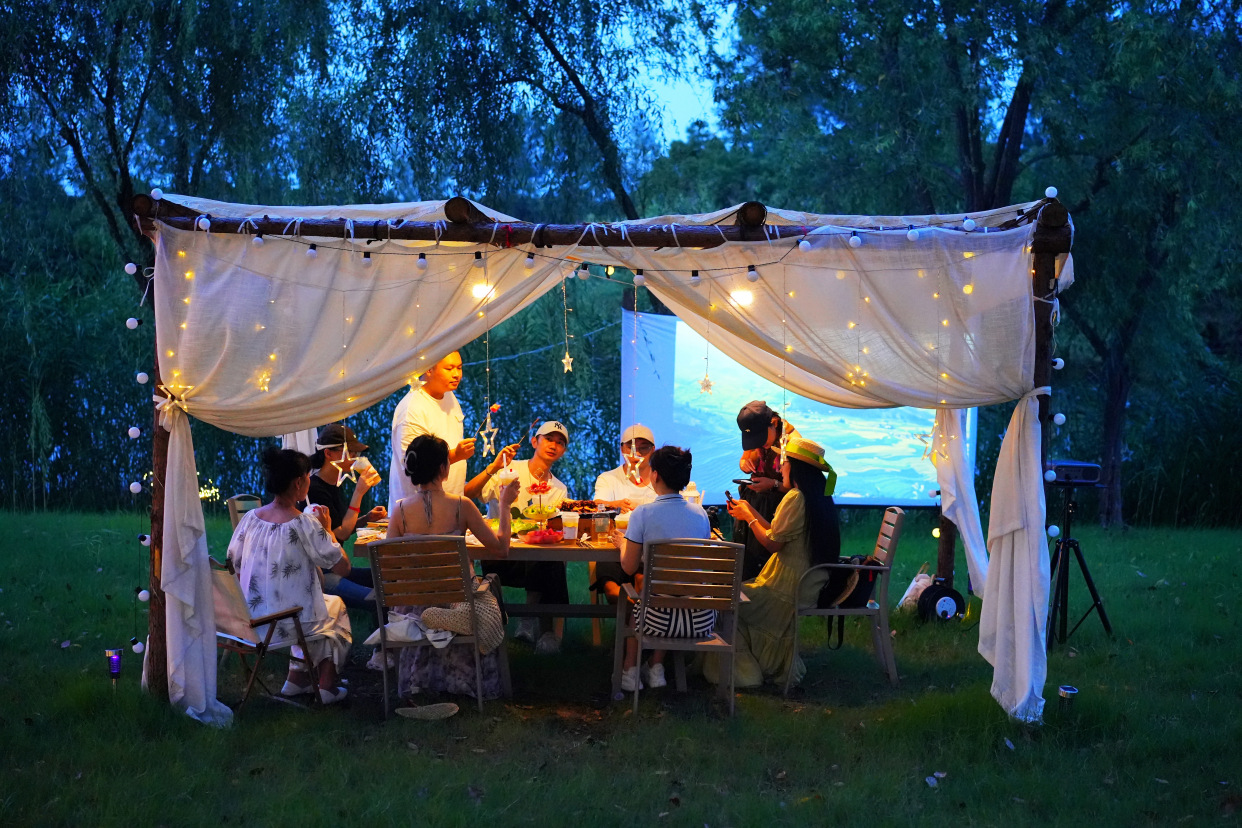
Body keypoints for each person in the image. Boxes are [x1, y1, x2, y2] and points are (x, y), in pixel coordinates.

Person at [387, 434, 519, 701]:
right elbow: (501, 549)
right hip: (458, 597)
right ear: (443, 469)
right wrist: (504, 505)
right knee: (483, 593)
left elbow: (392, 564)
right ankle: (465, 672)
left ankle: (421, 678)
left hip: (414, 604)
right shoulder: (462, 505)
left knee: (432, 598)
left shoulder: (399, 510)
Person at [705, 436, 841, 689]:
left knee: (725, 601)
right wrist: (749, 512)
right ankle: (748, 663)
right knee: (734, 596)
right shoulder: (815, 497)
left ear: (796, 468)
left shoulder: (795, 498)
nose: (781, 469)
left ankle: (745, 673)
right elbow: (778, 534)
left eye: (785, 464)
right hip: (807, 581)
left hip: (788, 588)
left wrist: (750, 517)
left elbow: (772, 544)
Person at [227, 447, 353, 704]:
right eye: (308, 476)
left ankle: (297, 680)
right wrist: (327, 530)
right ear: (299, 482)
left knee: (312, 606)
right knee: (334, 608)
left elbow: (232, 564)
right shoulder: (304, 524)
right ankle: (326, 686)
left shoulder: (250, 519)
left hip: (247, 619)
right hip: (282, 623)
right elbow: (343, 567)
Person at [613, 445, 712, 692]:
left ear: (655, 475)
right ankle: (657, 668)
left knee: (643, 595)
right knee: (671, 589)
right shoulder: (700, 514)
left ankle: (629, 670)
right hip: (701, 619)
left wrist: (622, 543)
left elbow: (628, 566)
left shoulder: (643, 514)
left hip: (655, 621)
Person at [478, 420, 572, 654]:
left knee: (552, 564)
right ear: (534, 441)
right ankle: (532, 621)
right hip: (500, 554)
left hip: (535, 557)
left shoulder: (559, 488)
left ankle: (545, 632)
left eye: (560, 443)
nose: (554, 445)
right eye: (549, 439)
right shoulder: (509, 470)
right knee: (549, 565)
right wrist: (492, 467)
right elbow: (472, 494)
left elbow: (554, 527)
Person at [304, 424, 387, 610]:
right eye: (350, 452)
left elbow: (339, 528)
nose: (356, 458)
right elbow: (339, 534)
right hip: (322, 573)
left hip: (336, 566)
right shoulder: (315, 490)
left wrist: (366, 518)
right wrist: (358, 493)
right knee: (379, 599)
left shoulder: (334, 483)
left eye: (356, 453)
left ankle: (386, 627)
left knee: (387, 576)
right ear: (328, 454)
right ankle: (384, 633)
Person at [389, 352, 476, 514]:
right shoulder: (412, 408)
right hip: (417, 511)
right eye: (449, 368)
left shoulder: (450, 395)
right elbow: (412, 464)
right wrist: (456, 454)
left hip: (450, 501)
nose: (456, 374)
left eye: (459, 368)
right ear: (428, 369)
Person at [734, 400, 801, 579]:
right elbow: (744, 459)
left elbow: (797, 492)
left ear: (775, 423)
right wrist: (745, 464)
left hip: (777, 512)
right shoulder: (757, 432)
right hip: (756, 501)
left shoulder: (792, 444)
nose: (758, 444)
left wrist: (773, 485)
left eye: (761, 438)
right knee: (745, 565)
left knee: (763, 567)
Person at [593, 424, 658, 512]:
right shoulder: (608, 479)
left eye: (644, 448)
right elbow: (596, 505)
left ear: (653, 450)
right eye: (631, 448)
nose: (637, 454)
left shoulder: (663, 479)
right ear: (622, 449)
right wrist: (615, 505)